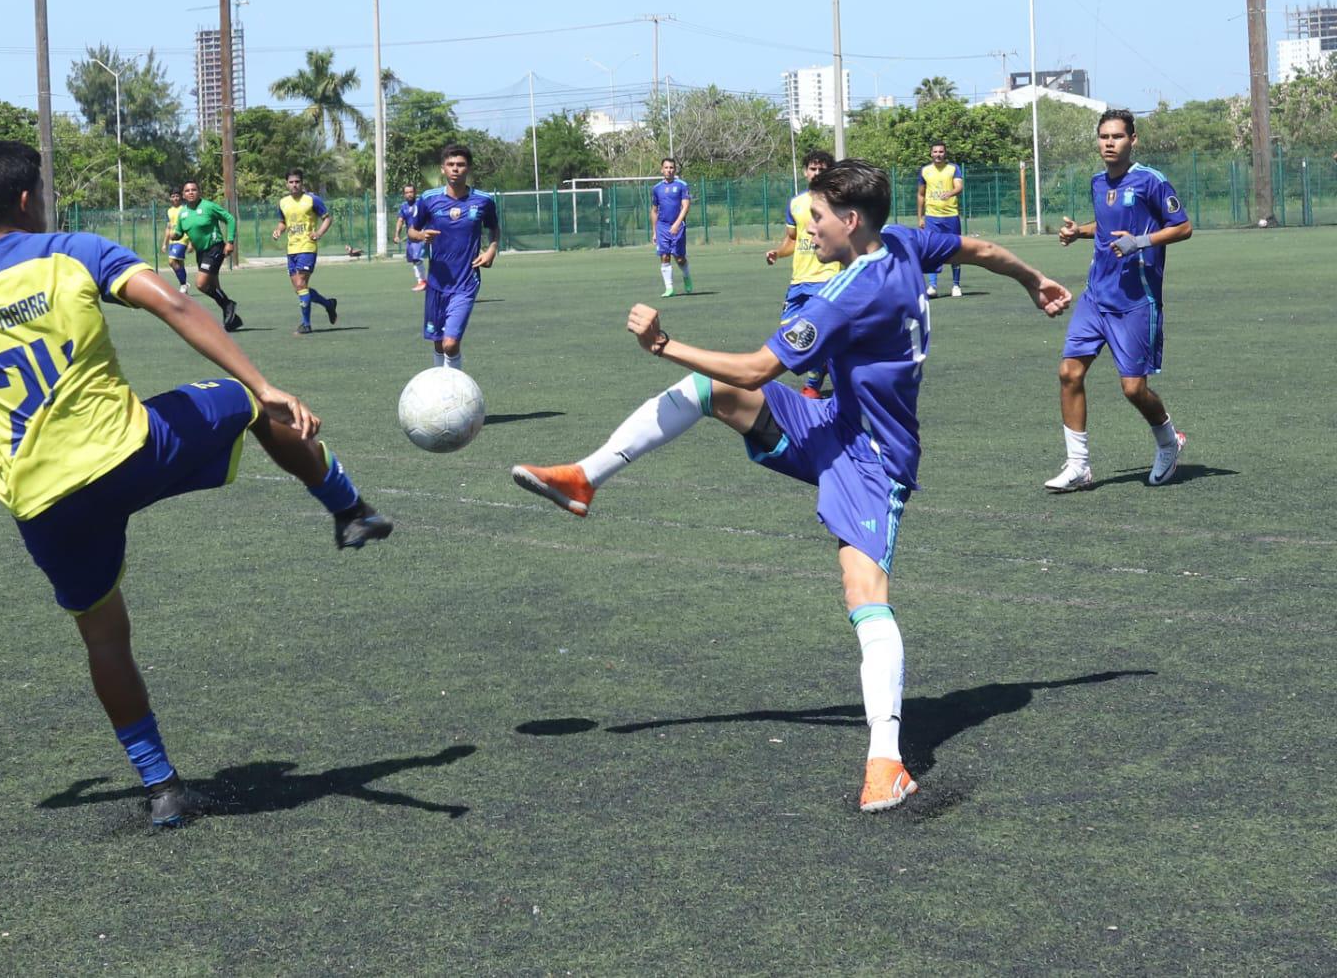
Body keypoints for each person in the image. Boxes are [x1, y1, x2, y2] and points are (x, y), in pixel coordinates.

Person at [0, 140, 394, 828]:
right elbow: (177, 306)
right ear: (24, 200)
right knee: (245, 405)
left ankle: (162, 789)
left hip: (42, 501)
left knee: (105, 635)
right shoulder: (72, 250)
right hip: (131, 453)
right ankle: (349, 508)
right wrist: (264, 383)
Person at [512, 160, 1071, 812]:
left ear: (852, 220)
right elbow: (980, 248)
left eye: (818, 217)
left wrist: (663, 342)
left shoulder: (849, 294)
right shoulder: (907, 242)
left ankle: (886, 762)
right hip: (833, 422)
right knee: (706, 393)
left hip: (873, 458)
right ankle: (585, 477)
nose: (808, 227)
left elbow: (755, 369)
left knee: (864, 593)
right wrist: (1033, 278)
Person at [1046, 108, 1192, 492]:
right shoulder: (1098, 182)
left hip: (1136, 300)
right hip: (1096, 296)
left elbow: (1183, 227)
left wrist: (1140, 241)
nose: (1109, 143)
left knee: (1133, 389)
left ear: (1133, 140)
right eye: (1104, 137)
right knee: (1069, 373)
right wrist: (1080, 232)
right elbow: (1106, 227)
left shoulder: (1151, 181)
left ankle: (1168, 441)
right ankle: (1078, 466)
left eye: (1117, 137)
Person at [408, 143, 499, 370]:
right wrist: (421, 235)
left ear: (468, 169)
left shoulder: (483, 200)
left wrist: (491, 250)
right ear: (442, 169)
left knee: (450, 344)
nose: (455, 169)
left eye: (460, 165)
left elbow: (494, 228)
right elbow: (411, 231)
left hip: (466, 281)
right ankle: (442, 390)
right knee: (438, 344)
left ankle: (455, 390)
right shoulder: (429, 199)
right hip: (437, 282)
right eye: (450, 164)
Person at [765, 149, 837, 396]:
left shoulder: (838, 200)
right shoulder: (796, 203)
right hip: (799, 280)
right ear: (805, 172)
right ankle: (825, 362)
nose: (817, 173)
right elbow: (793, 240)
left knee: (812, 332)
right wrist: (778, 252)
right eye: (813, 169)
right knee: (790, 330)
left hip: (827, 278)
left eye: (822, 169)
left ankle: (813, 384)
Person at [271, 169, 338, 335]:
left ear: (302, 183)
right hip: (291, 249)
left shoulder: (312, 199)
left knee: (301, 284)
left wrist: (319, 233)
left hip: (307, 247)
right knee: (300, 288)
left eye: (297, 182)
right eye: (291, 182)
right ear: (287, 184)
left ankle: (306, 324)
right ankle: (328, 304)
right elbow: (282, 222)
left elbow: (327, 218)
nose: (294, 185)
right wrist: (279, 230)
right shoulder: (283, 202)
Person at [175, 180, 242, 331]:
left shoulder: (208, 206)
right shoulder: (183, 213)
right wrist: (175, 235)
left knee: (201, 284)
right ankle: (232, 319)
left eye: (194, 189)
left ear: (199, 192)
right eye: (187, 191)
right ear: (183, 195)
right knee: (214, 286)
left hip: (215, 247)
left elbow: (230, 219)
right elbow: (180, 231)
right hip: (201, 252)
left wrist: (230, 242)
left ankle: (228, 305)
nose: (191, 192)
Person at [916, 142, 965, 297]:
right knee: (931, 250)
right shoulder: (925, 171)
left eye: (941, 151)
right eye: (935, 151)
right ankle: (933, 286)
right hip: (932, 217)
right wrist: (921, 217)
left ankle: (956, 285)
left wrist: (950, 193)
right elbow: (921, 195)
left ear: (945, 153)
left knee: (955, 249)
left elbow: (959, 186)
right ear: (931, 154)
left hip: (951, 216)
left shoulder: (953, 169)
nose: (938, 154)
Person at [651, 157, 693, 297]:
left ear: (674, 169)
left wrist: (677, 223)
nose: (669, 170)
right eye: (666, 168)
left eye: (671, 168)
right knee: (664, 256)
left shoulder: (681, 185)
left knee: (679, 258)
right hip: (662, 226)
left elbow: (686, 206)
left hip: (678, 226)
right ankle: (669, 288)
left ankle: (686, 276)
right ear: (662, 169)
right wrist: (655, 232)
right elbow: (654, 210)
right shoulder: (656, 188)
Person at [394, 183, 428, 291]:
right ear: (404, 194)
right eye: (406, 192)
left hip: (421, 235)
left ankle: (422, 281)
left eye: (411, 192)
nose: (409, 194)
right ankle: (422, 281)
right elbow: (400, 220)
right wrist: (396, 235)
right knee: (414, 259)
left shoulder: (421, 203)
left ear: (415, 192)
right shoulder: (403, 206)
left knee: (417, 258)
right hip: (411, 237)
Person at [162, 189, 190, 293]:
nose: (175, 198)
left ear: (181, 197)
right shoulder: (169, 211)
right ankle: (185, 284)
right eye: (173, 196)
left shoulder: (184, 209)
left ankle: (183, 284)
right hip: (172, 240)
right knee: (180, 263)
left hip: (183, 238)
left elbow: (189, 225)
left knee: (171, 261)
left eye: (177, 196)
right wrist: (165, 243)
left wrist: (191, 242)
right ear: (170, 198)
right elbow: (168, 228)